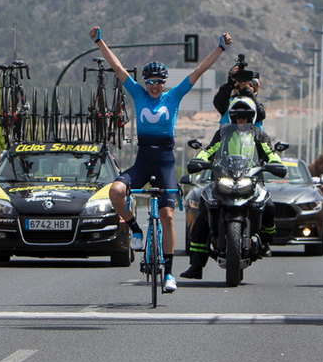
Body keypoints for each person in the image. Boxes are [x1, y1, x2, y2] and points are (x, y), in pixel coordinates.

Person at [90, 25, 233, 294]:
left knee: (167, 217)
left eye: (159, 82)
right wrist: (100, 42)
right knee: (115, 191)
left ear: (165, 83)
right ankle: (135, 230)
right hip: (143, 162)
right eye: (150, 82)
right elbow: (118, 67)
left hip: (166, 162)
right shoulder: (138, 94)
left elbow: (198, 71)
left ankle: (168, 274)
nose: (154, 87)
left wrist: (221, 48)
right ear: (144, 83)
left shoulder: (174, 96)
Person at [181, 96, 283, 279]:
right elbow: (210, 150)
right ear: (232, 116)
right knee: (203, 211)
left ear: (251, 117)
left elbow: (270, 153)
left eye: (245, 116)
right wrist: (200, 160)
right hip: (223, 179)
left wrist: (276, 164)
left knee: (269, 206)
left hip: (252, 181)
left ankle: (266, 241)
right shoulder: (223, 133)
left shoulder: (259, 135)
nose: (241, 120)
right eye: (237, 116)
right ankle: (196, 266)